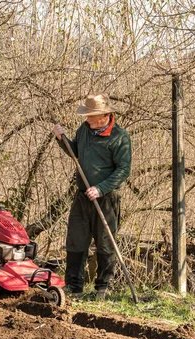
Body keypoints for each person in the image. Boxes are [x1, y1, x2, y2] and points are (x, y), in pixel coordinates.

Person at [52, 93, 132, 299]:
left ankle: (103, 287)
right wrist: (62, 140)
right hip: (82, 196)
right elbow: (75, 152)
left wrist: (101, 188)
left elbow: (123, 170)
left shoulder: (120, 137)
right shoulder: (85, 130)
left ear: (104, 116)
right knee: (76, 240)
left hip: (106, 198)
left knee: (105, 243)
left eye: (90, 116)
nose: (86, 119)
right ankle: (73, 287)